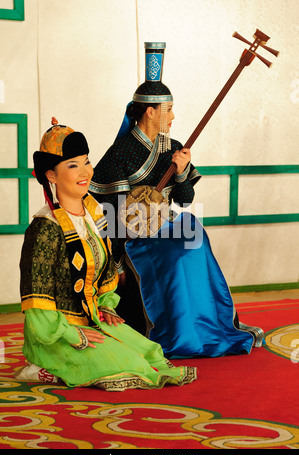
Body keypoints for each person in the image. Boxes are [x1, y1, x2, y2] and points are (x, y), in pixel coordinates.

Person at [89, 42, 264, 359]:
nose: (174, 117)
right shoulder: (122, 153)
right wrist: (114, 263)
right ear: (151, 111)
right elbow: (111, 210)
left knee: (194, 240)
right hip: (135, 234)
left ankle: (212, 326)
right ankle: (178, 332)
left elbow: (184, 200)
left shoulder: (175, 147)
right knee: (178, 257)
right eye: (169, 110)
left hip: (169, 225)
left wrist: (181, 173)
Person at [15, 118, 197, 391]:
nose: (84, 172)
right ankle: (44, 366)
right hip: (56, 332)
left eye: (86, 162)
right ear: (51, 175)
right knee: (127, 364)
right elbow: (36, 302)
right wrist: (70, 333)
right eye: (72, 165)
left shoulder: (96, 214)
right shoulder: (44, 228)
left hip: (93, 317)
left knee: (149, 353)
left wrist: (106, 305)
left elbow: (106, 267)